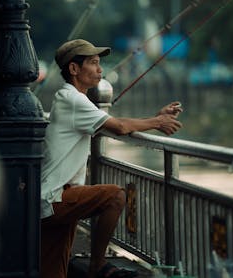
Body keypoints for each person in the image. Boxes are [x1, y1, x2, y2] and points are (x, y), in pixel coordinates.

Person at [41, 39, 183, 278]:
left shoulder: (72, 100)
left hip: (53, 198)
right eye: (93, 63)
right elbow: (118, 126)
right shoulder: (73, 99)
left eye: (100, 63)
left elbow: (114, 125)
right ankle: (97, 266)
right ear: (74, 70)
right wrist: (157, 122)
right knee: (115, 196)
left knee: (53, 272)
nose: (100, 69)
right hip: (57, 198)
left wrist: (152, 118)